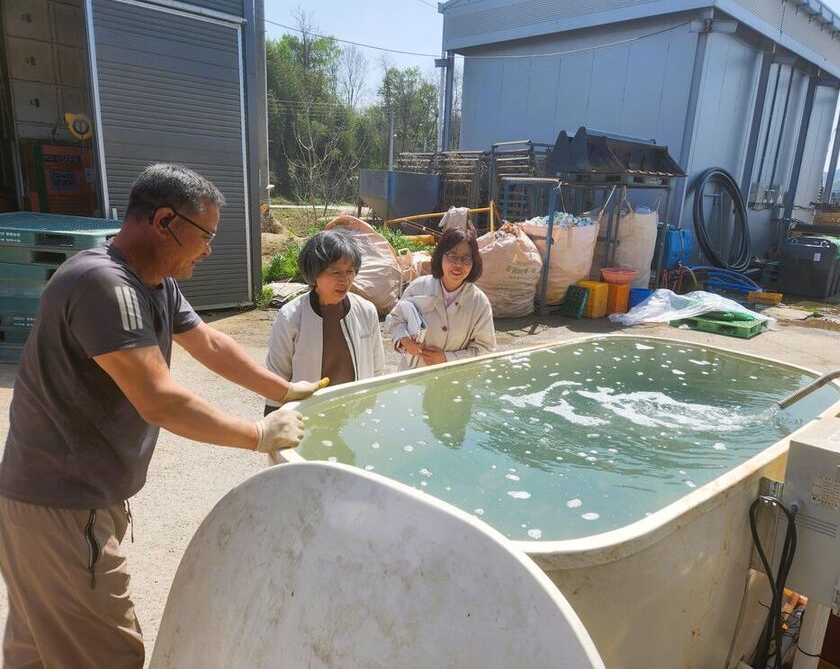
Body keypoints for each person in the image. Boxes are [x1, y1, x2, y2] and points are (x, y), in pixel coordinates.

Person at [0, 163, 324, 668]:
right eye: (206, 235)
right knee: (111, 656)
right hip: (62, 514)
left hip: (50, 506)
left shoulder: (153, 282)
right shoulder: (105, 285)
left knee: (38, 654)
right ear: (166, 221)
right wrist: (259, 433)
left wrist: (283, 388)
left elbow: (211, 343)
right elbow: (160, 398)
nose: (209, 248)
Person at [264, 230, 385, 414]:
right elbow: (277, 376)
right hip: (308, 416)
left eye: (350, 271)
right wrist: (273, 422)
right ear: (314, 274)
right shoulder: (291, 316)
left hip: (356, 415)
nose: (345, 280)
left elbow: (377, 371)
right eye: (335, 272)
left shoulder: (366, 311)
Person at [386, 227, 496, 371]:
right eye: (452, 256)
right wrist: (404, 341)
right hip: (413, 377)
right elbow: (395, 319)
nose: (458, 264)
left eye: (466, 258)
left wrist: (448, 359)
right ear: (440, 256)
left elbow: (485, 348)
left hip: (453, 380)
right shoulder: (418, 287)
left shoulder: (479, 302)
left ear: (474, 262)